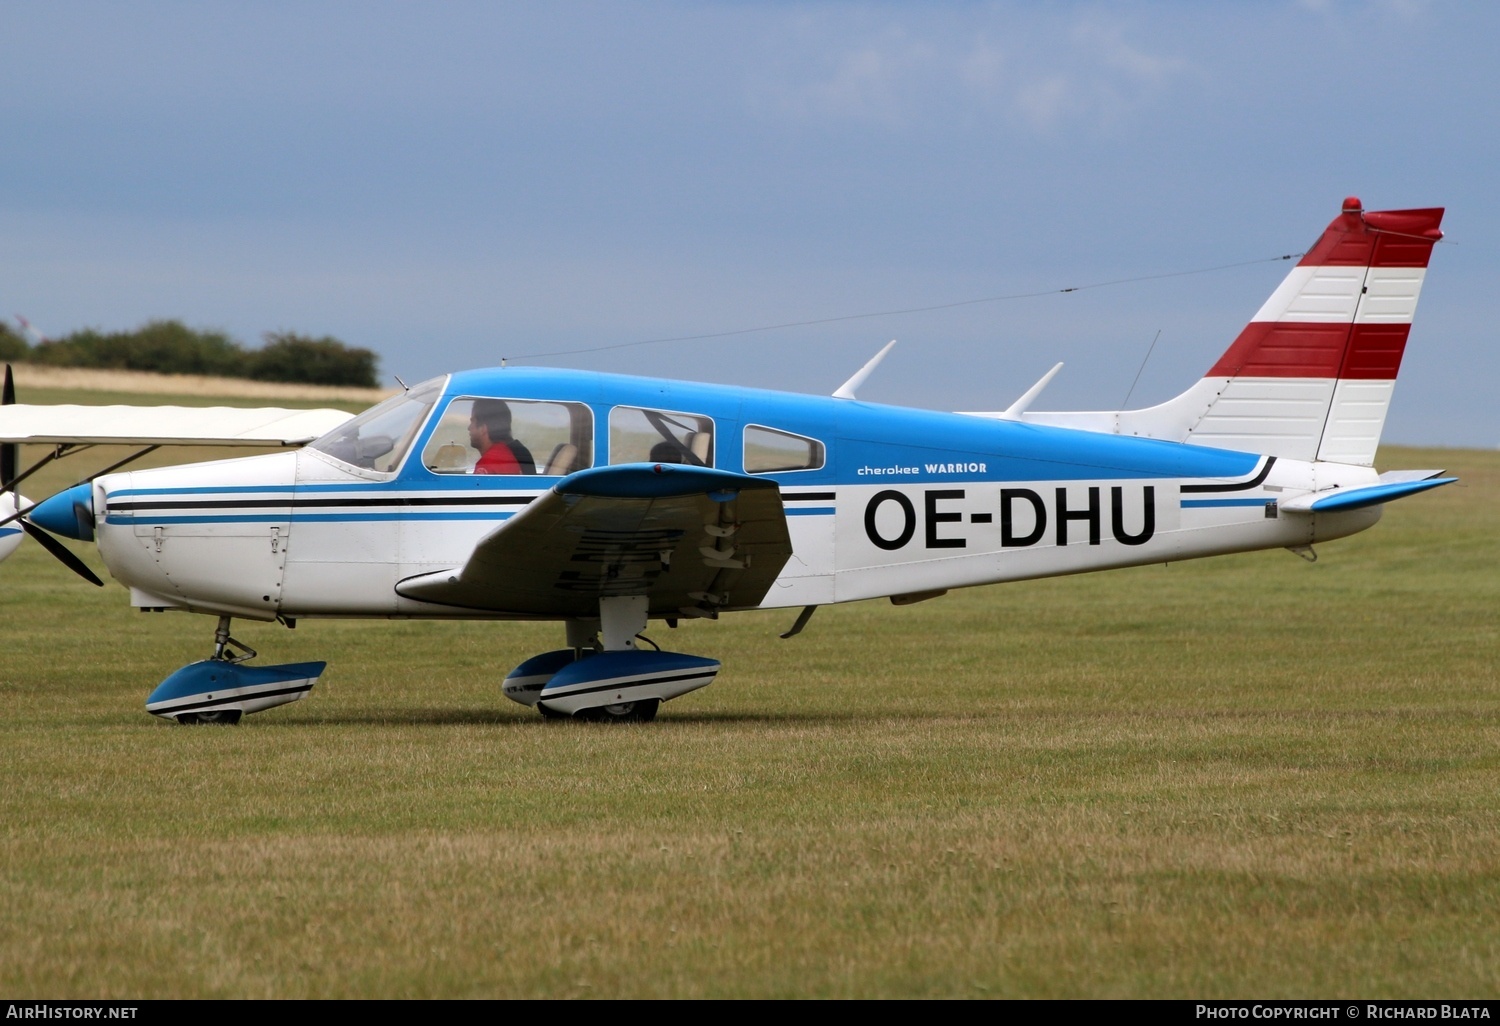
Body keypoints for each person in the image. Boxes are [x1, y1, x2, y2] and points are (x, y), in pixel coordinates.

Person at [469, 399, 536, 475]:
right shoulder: (514, 453)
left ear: (483, 429)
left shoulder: (487, 464)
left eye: (472, 422)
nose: (469, 427)